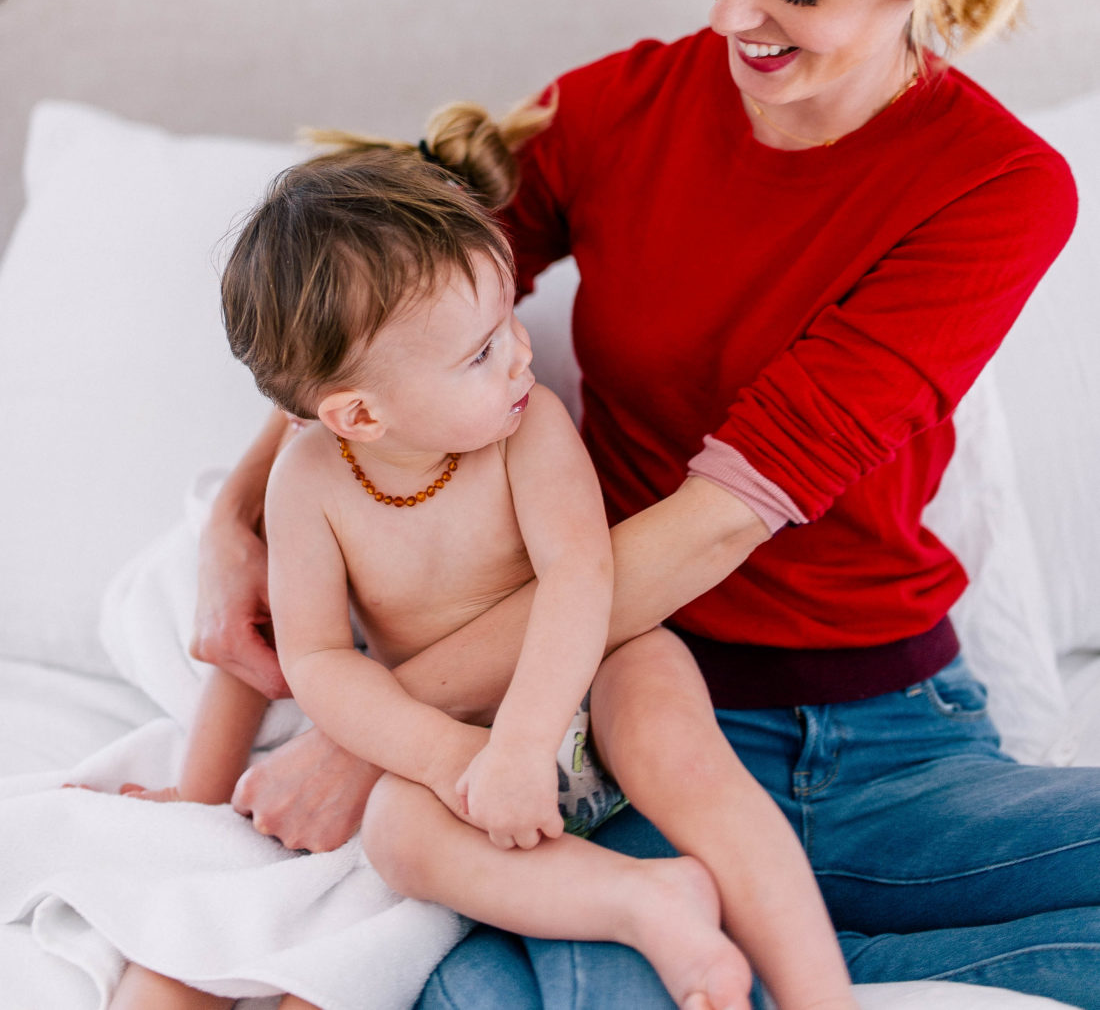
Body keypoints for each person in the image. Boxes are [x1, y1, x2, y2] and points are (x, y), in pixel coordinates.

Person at [194, 0, 1100, 1010]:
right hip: (615, 714)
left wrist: (365, 737)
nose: (731, 12)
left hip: (890, 744)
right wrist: (238, 510)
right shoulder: (617, 110)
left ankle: (791, 961)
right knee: (481, 996)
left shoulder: (997, 191)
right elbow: (379, 315)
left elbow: (723, 519)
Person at [112, 111, 859, 1010]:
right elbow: (311, 658)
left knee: (682, 751)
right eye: (479, 351)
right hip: (460, 742)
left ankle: (824, 995)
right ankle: (641, 899)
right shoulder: (307, 484)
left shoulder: (527, 427)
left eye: (507, 321)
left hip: (594, 668)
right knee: (397, 832)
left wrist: (523, 740)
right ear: (358, 416)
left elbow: (585, 579)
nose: (520, 354)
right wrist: (442, 754)